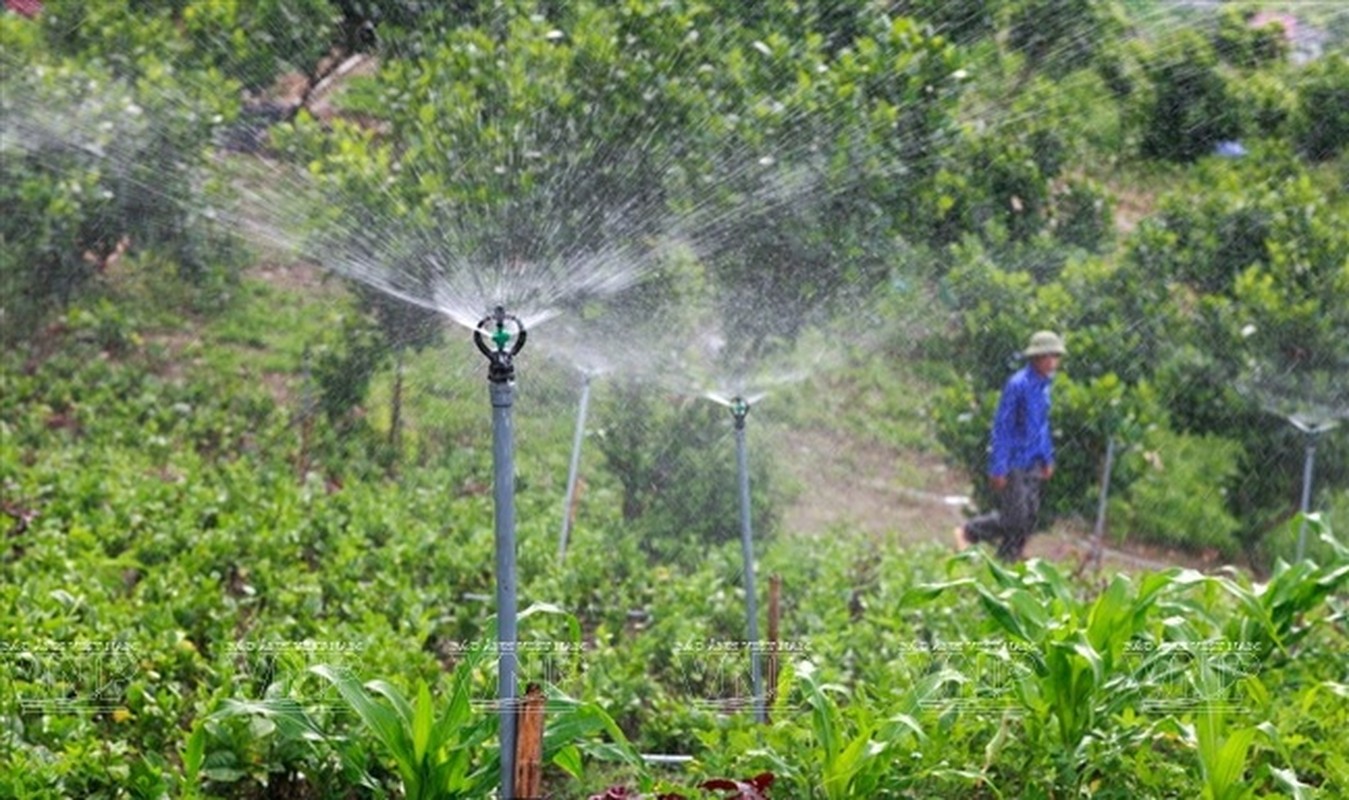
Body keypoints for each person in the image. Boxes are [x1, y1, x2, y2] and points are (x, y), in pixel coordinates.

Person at [954, 331, 1065, 561]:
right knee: (1014, 517)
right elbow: (1002, 427)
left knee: (1029, 517)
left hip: (1033, 459)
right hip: (1015, 459)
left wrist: (1047, 457)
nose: (1053, 362)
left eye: (1056, 356)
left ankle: (1008, 561)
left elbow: (1041, 426)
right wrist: (999, 466)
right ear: (1037, 357)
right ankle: (969, 531)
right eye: (1049, 356)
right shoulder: (1018, 384)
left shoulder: (1045, 386)